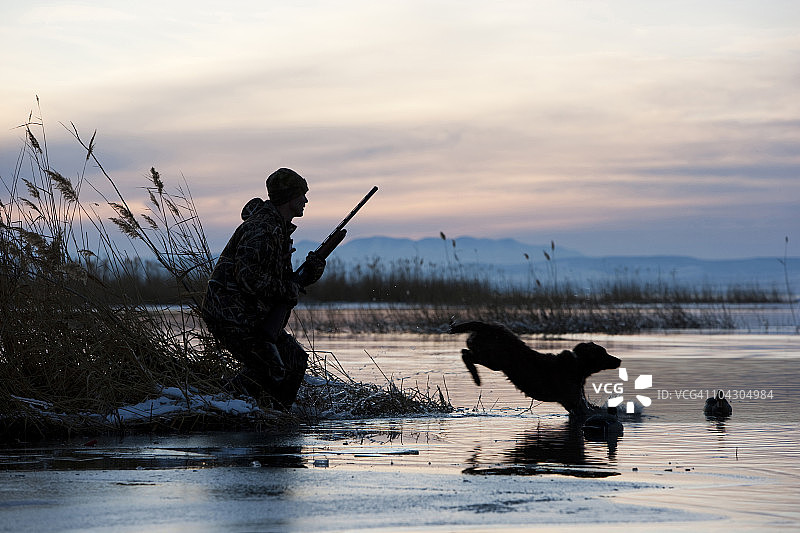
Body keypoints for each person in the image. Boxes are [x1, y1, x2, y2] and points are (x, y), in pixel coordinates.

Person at [201, 168, 327, 409]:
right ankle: (220, 404)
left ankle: (274, 414)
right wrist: (289, 289)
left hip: (248, 315)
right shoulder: (262, 229)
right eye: (302, 194)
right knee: (273, 367)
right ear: (289, 197)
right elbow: (249, 277)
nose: (306, 200)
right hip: (231, 315)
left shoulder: (277, 228)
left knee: (294, 359)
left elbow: (276, 279)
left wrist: (307, 274)